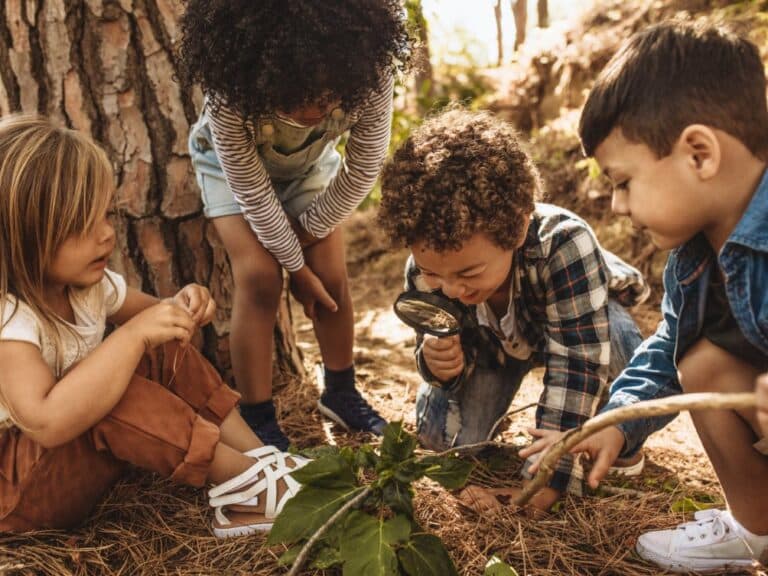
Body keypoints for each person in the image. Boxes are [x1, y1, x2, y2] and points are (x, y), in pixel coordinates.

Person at [0, 115, 307, 537]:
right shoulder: (10, 320)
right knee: (114, 383)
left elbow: (160, 323)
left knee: (155, 345)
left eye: (106, 215)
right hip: (21, 497)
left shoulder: (88, 288)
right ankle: (247, 487)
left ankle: (260, 459)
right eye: (81, 226)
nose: (107, 235)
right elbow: (46, 422)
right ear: (21, 237)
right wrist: (131, 336)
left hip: (70, 464)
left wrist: (182, 305)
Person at [545, 21, 768, 573]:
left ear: (699, 154)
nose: (618, 207)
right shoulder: (694, 258)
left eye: (624, 182)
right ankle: (756, 529)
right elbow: (670, 346)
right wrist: (618, 422)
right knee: (702, 362)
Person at [377, 108, 649, 513]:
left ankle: (620, 436)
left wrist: (546, 478)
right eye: (435, 273)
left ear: (518, 229)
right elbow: (430, 342)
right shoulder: (427, 268)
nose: (451, 288)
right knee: (442, 441)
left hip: (574, 327)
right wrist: (438, 366)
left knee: (621, 342)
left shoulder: (565, 243)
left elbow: (576, 363)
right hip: (491, 351)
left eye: (469, 271)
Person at [176, 0, 412, 449]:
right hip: (231, 172)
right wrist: (293, 269)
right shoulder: (231, 94)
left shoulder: (371, 72)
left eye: (328, 98)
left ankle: (342, 393)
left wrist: (306, 239)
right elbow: (253, 194)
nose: (315, 110)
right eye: (298, 96)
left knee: (332, 276)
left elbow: (362, 169)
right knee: (261, 277)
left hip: (308, 169)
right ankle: (258, 414)